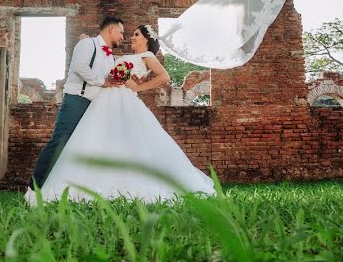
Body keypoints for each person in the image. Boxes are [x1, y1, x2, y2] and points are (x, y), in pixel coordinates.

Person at [25, 24, 217, 205]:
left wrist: (140, 87)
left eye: (136, 35)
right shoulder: (123, 56)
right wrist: (88, 41)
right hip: (105, 100)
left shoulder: (148, 55)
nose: (131, 38)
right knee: (100, 140)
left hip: (124, 99)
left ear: (147, 40)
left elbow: (164, 77)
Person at [27, 16, 125, 191]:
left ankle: (72, 191)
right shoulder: (87, 44)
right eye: (121, 32)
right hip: (76, 101)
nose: (123, 37)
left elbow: (109, 83)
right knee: (59, 143)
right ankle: (34, 190)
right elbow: (80, 67)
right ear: (111, 29)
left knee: (85, 148)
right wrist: (102, 81)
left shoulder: (111, 58)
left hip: (95, 107)